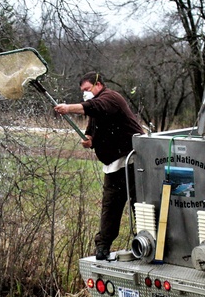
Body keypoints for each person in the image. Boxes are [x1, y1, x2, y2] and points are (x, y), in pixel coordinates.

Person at [54, 72, 143, 261]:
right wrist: (90, 140)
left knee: (140, 206)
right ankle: (103, 247)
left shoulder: (111, 98)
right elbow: (92, 128)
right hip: (113, 166)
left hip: (133, 162)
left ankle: (145, 243)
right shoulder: (97, 108)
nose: (85, 94)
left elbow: (95, 107)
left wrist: (68, 108)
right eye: (83, 91)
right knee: (110, 207)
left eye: (87, 89)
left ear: (98, 84)